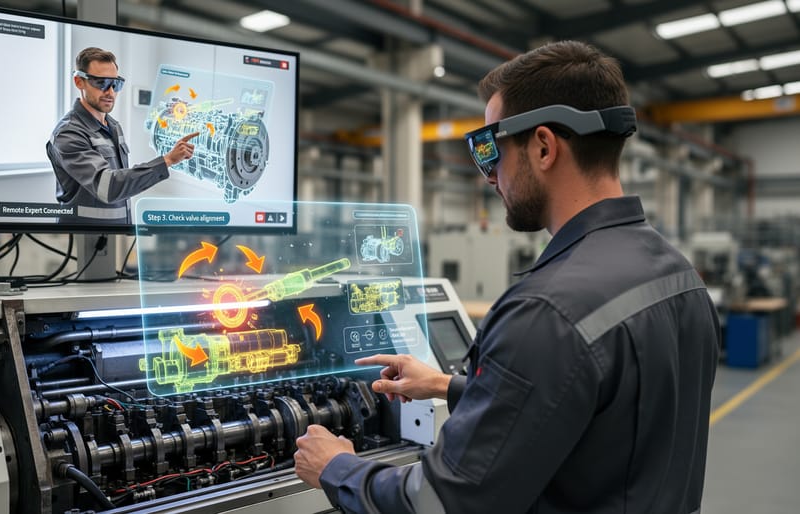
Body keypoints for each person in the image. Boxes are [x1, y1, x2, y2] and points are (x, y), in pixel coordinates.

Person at [294, 40, 720, 514]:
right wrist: (446, 385)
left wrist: (336, 467)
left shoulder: (545, 311)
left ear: (543, 147)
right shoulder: (680, 277)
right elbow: (593, 413)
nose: (489, 175)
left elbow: (442, 502)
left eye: (490, 149)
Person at [46, 47, 198, 223]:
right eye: (101, 83)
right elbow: (109, 187)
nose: (110, 92)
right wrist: (167, 160)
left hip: (117, 231)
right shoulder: (68, 133)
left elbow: (123, 181)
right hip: (83, 235)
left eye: (116, 84)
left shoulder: (113, 126)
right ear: (79, 81)